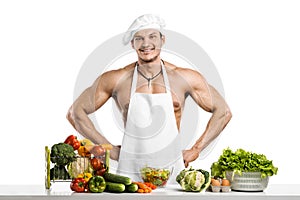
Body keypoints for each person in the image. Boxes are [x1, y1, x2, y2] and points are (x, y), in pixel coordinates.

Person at [67, 14, 232, 182]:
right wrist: (107, 149)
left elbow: (223, 112)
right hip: (129, 177)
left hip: (173, 174)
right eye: (139, 38)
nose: (146, 44)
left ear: (162, 40)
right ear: (132, 44)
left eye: (152, 36)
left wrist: (197, 149)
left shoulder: (185, 78)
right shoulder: (116, 79)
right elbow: (75, 113)